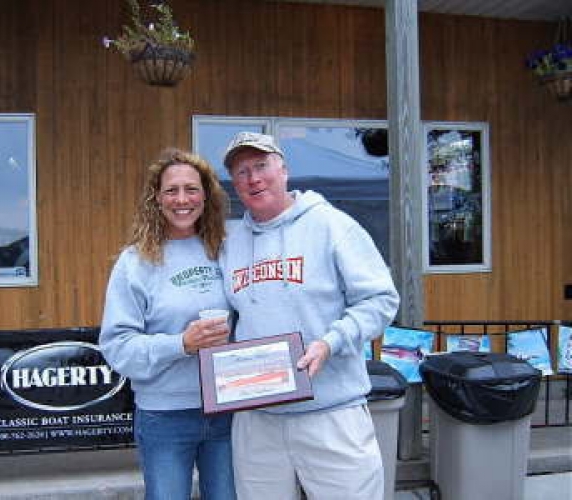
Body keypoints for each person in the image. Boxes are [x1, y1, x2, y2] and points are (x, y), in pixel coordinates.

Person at [220, 132, 400, 500]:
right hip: (258, 420)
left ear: (284, 170)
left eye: (261, 166)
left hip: (331, 412)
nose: (253, 178)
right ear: (234, 184)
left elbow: (380, 299)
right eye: (242, 172)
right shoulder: (231, 244)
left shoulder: (333, 226)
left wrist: (331, 343)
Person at [100, 148, 236, 500]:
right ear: (156, 199)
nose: (182, 199)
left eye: (191, 189)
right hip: (165, 415)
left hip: (229, 409)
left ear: (206, 196)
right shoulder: (135, 263)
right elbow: (117, 347)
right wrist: (181, 344)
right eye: (171, 190)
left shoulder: (228, 250)